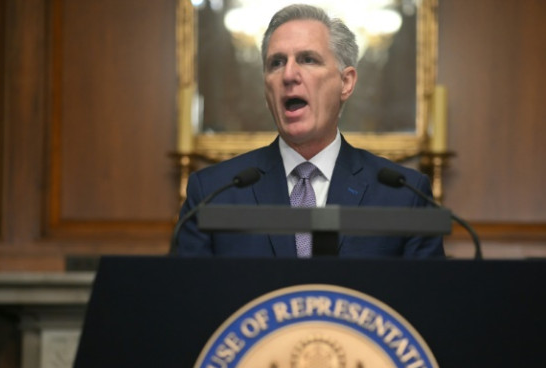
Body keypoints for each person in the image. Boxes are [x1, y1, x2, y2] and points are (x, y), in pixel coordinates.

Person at [176, 3, 444, 258]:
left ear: (346, 82)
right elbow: (187, 299)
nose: (289, 75)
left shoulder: (404, 195)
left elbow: (424, 302)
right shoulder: (213, 193)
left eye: (308, 59)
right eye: (276, 63)